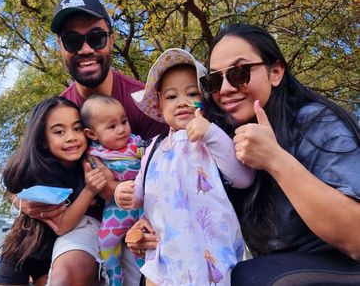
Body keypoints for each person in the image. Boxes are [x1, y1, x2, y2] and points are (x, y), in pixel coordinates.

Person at [128, 24, 360, 285]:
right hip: (267, 263)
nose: (225, 89)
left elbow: (356, 238)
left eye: (240, 73)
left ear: (275, 72)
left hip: (337, 266)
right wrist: (155, 226)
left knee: (247, 278)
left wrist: (275, 160)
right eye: (215, 80)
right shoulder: (219, 133)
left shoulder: (315, 123)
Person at [13, 0, 168, 286]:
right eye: (72, 40)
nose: (85, 49)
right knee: (65, 275)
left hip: (146, 213)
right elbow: (21, 173)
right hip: (86, 218)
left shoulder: (144, 102)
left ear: (110, 40)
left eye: (95, 37)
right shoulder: (56, 113)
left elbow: (170, 173)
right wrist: (21, 202)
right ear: (60, 47)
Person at [115, 48, 255, 285]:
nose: (181, 102)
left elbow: (243, 178)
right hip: (164, 256)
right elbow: (141, 191)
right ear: (159, 103)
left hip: (210, 251)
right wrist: (125, 193)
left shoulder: (214, 136)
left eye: (191, 94)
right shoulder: (154, 147)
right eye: (171, 97)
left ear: (205, 98)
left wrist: (209, 133)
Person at [0, 96, 108, 286]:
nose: (71, 137)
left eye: (77, 128)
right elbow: (63, 224)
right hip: (28, 245)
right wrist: (89, 191)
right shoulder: (42, 173)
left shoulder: (89, 163)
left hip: (60, 250)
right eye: (59, 132)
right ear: (43, 140)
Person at [81, 94, 146, 285]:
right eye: (112, 126)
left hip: (145, 206)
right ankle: (114, 279)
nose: (121, 130)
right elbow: (100, 181)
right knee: (106, 242)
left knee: (147, 241)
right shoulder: (94, 153)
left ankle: (149, 276)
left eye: (124, 122)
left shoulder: (136, 144)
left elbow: (153, 161)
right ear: (93, 134)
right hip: (116, 210)